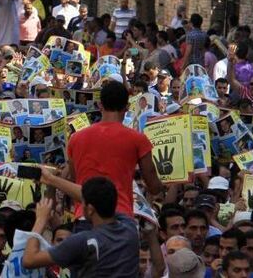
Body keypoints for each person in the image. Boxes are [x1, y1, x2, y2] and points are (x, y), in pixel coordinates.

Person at [64, 81, 162, 220]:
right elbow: (154, 187)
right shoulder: (138, 139)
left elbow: (75, 182)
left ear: (99, 105)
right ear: (127, 107)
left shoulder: (75, 138)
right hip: (119, 216)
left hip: (85, 217)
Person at [23, 177, 140, 277]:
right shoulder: (130, 228)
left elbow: (29, 260)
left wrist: (41, 219)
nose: (80, 204)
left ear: (90, 210)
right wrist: (51, 179)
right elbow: (101, 201)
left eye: (82, 202)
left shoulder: (83, 241)